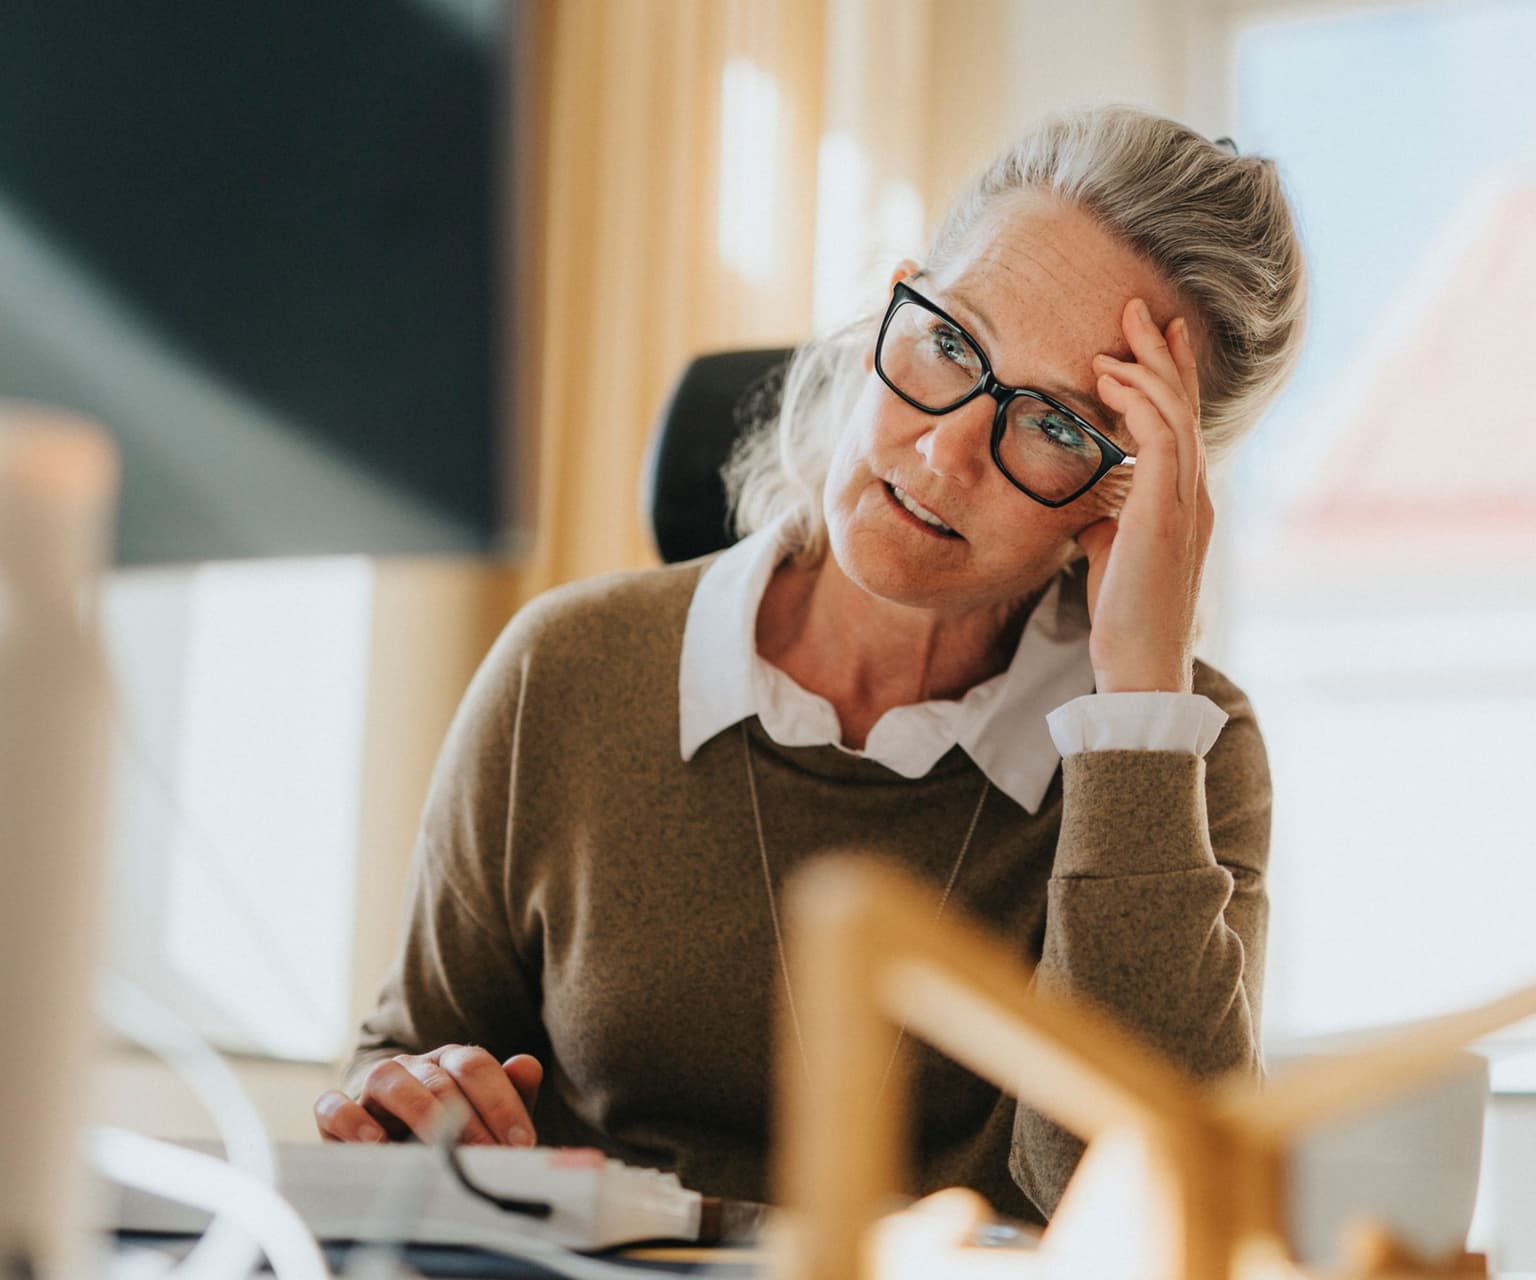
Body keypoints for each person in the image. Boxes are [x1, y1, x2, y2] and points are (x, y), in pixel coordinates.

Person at [314, 104, 1307, 1223]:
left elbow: (1150, 1211)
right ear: (891, 303)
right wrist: (411, 1105)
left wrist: (1135, 706)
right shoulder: (566, 667)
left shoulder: (1180, 746)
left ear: (1136, 496)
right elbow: (405, 1067)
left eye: (1060, 427)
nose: (943, 450)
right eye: (946, 341)